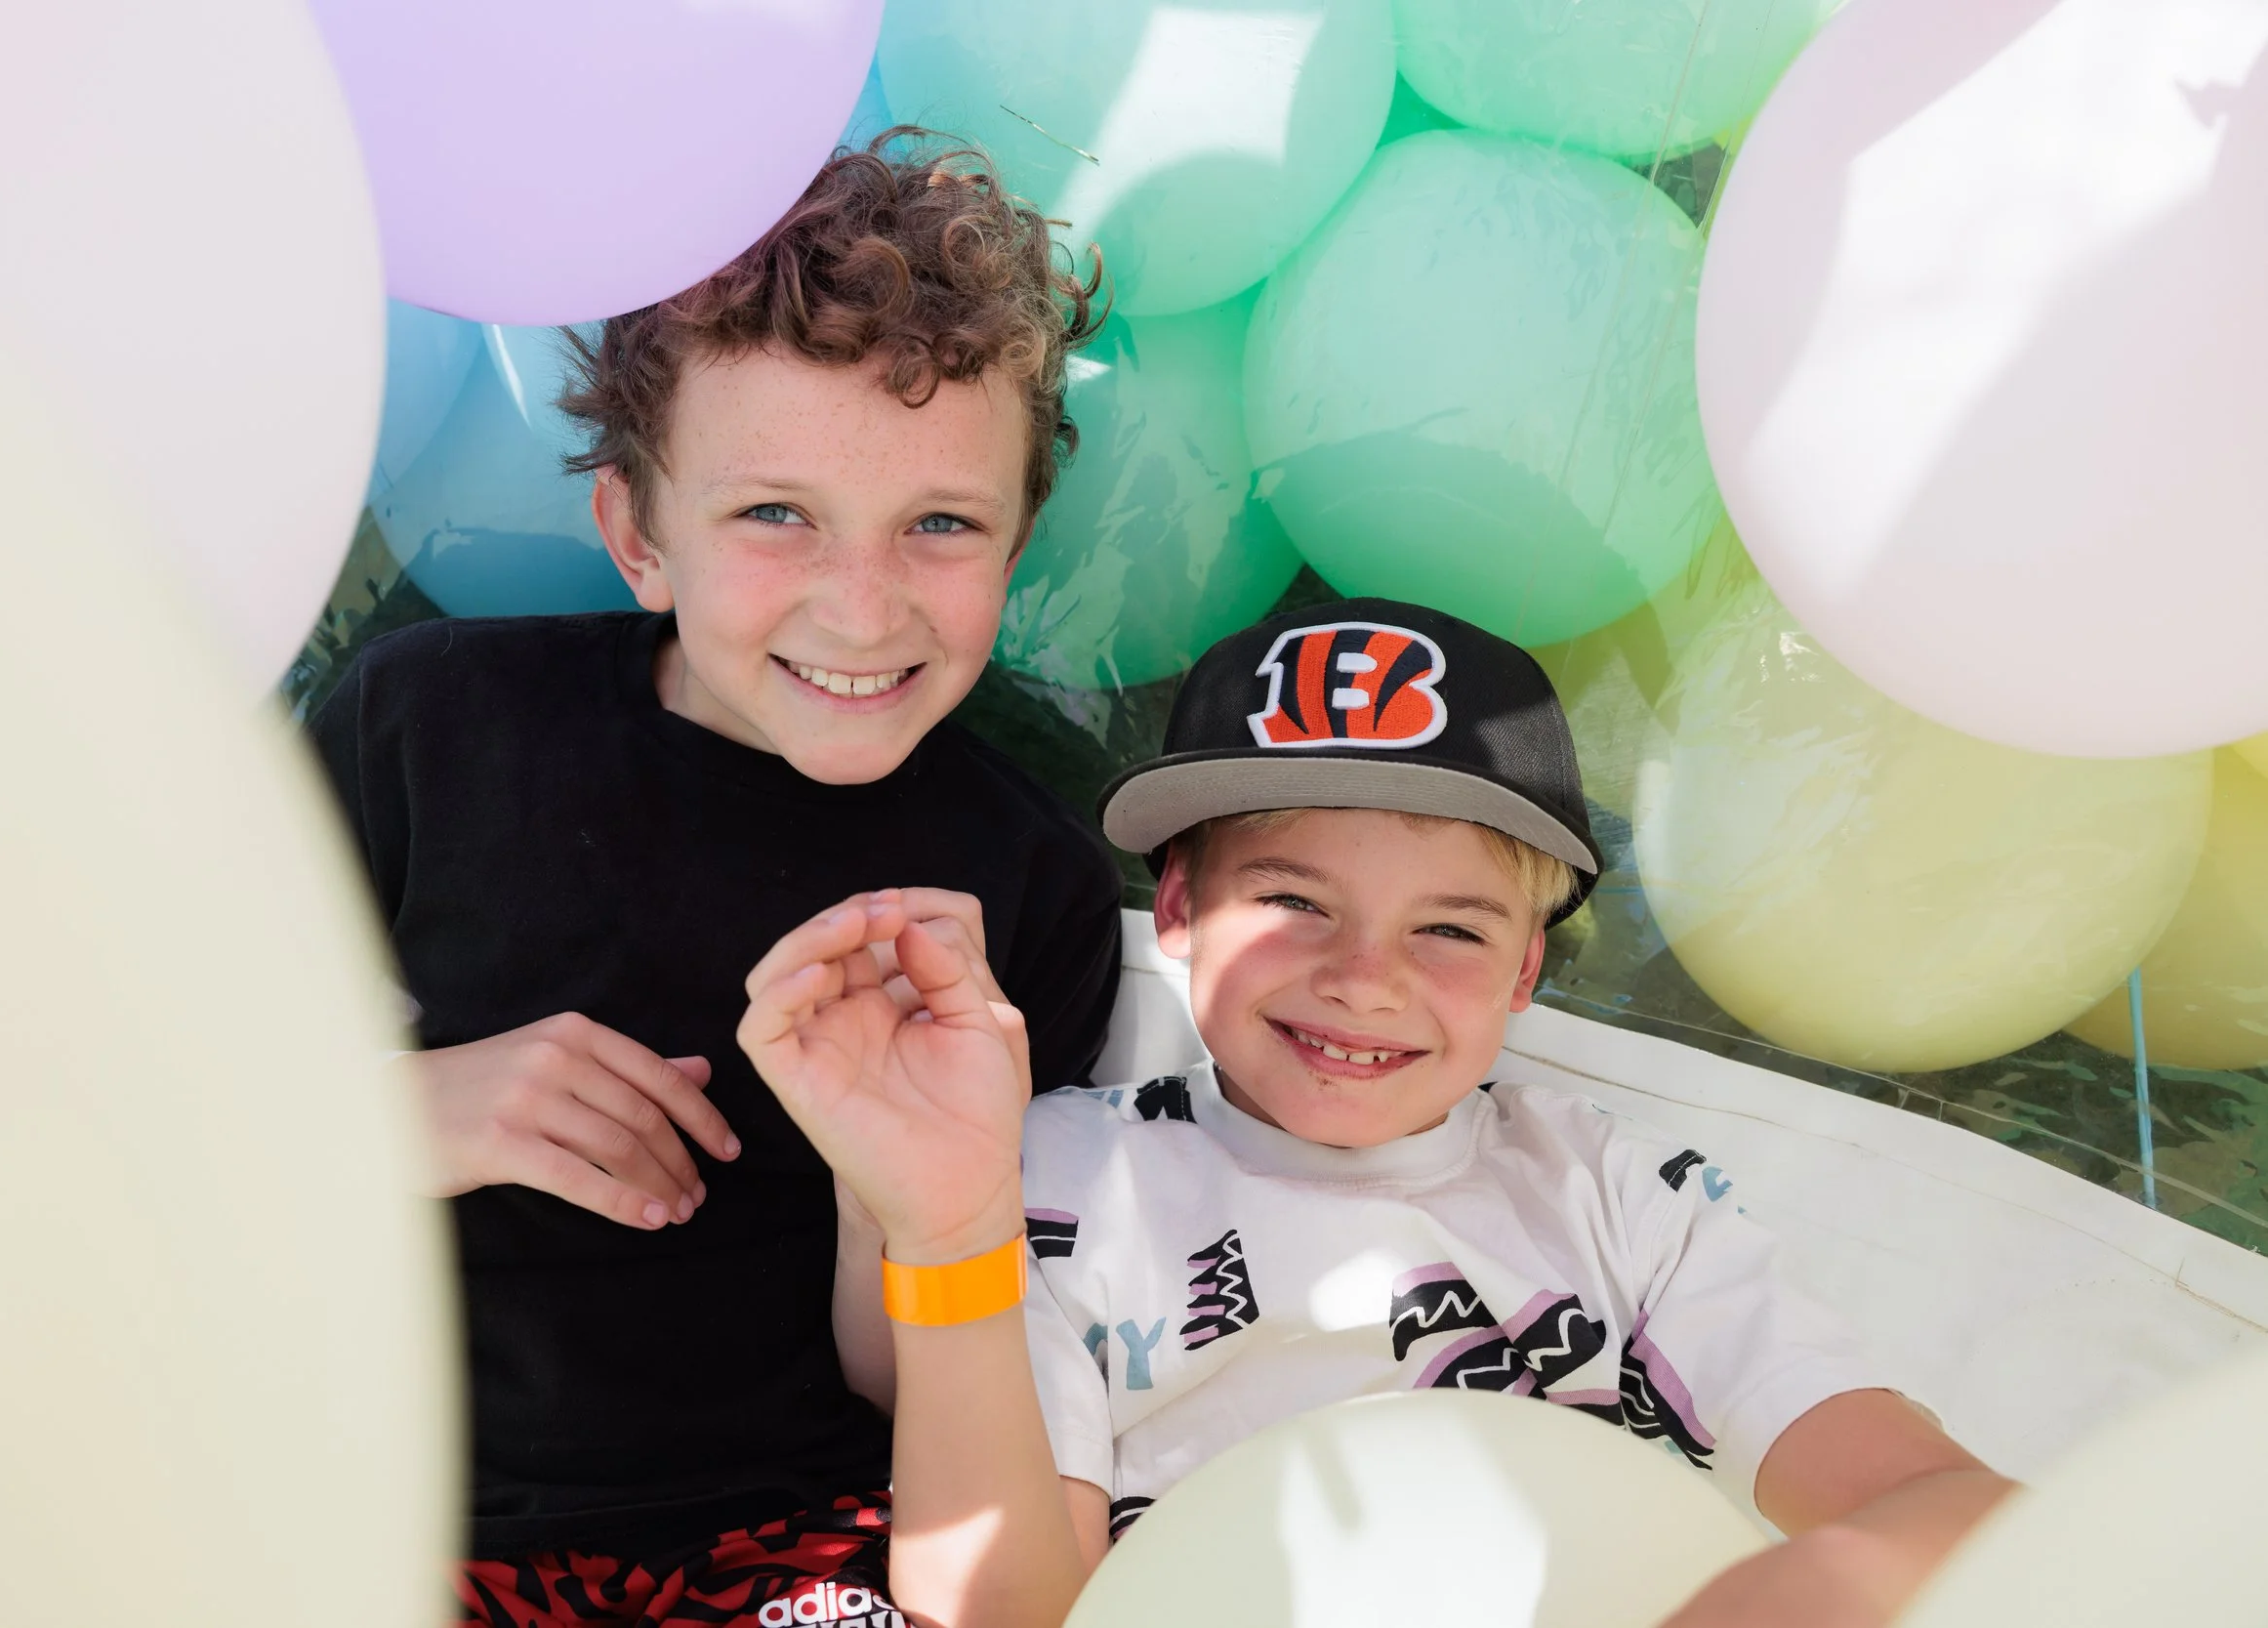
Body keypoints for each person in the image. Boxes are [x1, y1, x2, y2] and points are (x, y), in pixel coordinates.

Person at [740, 598, 2016, 1628]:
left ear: (1525, 970)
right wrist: (949, 1227)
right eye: (1294, 900)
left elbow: (1959, 1507)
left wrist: (1796, 1591)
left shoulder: (1617, 1198)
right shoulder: (1061, 1176)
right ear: (1177, 908)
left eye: (1451, 928)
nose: (1365, 978)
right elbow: (1001, 1603)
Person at [309, 134, 1123, 1628]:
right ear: (638, 534)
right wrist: (393, 1114)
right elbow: (124, 1116)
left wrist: (919, 1202)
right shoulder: (427, 728)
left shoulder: (1028, 885)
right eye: (774, 514)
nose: (862, 607)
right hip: (381, 1522)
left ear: (1015, 547)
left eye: (942, 523)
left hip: (801, 1551)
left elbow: (929, 1388)